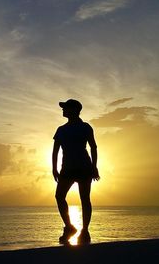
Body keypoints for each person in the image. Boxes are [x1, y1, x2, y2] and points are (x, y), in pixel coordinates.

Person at [52, 99, 100, 244]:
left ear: (74, 110)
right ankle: (69, 227)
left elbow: (93, 147)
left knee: (85, 199)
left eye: (65, 108)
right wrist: (54, 168)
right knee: (59, 196)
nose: (63, 110)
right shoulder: (61, 129)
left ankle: (85, 231)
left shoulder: (85, 127)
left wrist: (94, 166)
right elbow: (55, 151)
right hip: (67, 168)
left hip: (84, 167)